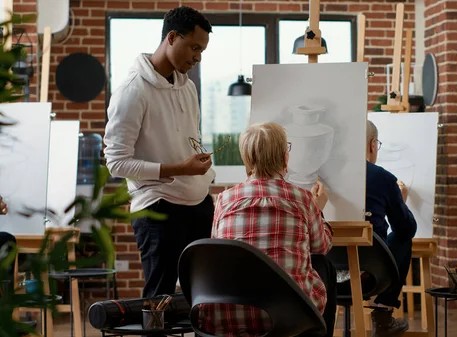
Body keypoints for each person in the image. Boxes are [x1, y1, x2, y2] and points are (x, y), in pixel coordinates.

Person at [103, 6, 215, 298]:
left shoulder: (187, 87)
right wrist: (179, 169)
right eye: (193, 47)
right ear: (172, 37)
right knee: (159, 302)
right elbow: (116, 163)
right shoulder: (132, 90)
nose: (197, 57)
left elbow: (192, 137)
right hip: (158, 208)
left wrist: (204, 168)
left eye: (202, 50)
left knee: (205, 298)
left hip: (199, 204)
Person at [199, 122, 337, 337]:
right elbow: (322, 245)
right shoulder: (302, 198)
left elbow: (219, 250)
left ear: (246, 159)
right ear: (285, 157)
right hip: (290, 316)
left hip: (229, 315)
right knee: (323, 263)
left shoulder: (225, 199)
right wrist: (318, 210)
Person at [365, 120, 418, 336]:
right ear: (372, 145)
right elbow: (406, 229)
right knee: (402, 237)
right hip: (371, 274)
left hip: (329, 272)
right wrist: (401, 202)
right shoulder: (383, 178)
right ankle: (383, 316)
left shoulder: (323, 177)